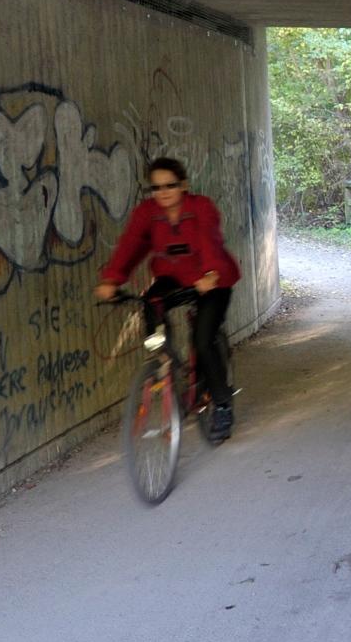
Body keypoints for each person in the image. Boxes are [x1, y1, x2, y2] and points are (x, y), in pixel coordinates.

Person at [96, 156, 242, 441]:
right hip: (172, 278)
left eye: (170, 185)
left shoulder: (200, 207)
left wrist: (211, 273)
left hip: (212, 280)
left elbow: (211, 241)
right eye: (156, 187)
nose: (163, 192)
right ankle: (165, 362)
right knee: (150, 305)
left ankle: (222, 405)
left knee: (203, 340)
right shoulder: (147, 213)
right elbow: (130, 245)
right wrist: (112, 279)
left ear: (183, 185)